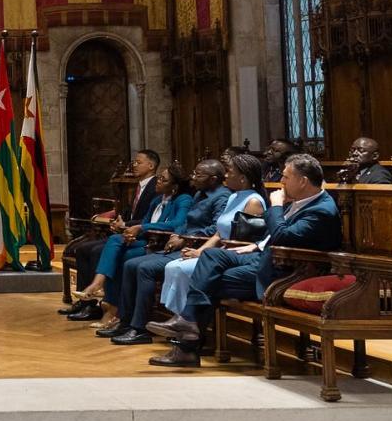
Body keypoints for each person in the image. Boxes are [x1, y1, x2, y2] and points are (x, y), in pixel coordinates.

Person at [146, 153, 343, 368]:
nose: (281, 182)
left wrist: (275, 206)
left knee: (207, 280)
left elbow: (283, 236)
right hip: (264, 256)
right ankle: (188, 324)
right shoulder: (300, 201)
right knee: (212, 256)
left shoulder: (321, 210)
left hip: (286, 271)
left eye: (286, 177)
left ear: (303, 181)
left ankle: (186, 341)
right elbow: (276, 235)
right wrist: (257, 245)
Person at [106, 159, 231, 345]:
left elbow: (216, 228)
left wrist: (186, 237)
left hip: (198, 248)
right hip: (184, 242)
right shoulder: (200, 194)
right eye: (194, 173)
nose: (193, 177)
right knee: (131, 264)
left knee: (144, 268)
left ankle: (140, 328)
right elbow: (186, 222)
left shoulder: (221, 197)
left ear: (213, 179)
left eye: (198, 174)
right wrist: (179, 233)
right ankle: (125, 322)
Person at [154, 153, 269, 329]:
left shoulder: (253, 201)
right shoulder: (233, 197)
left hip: (233, 256)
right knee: (173, 266)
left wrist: (209, 254)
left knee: (179, 269)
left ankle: (188, 323)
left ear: (243, 178)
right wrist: (199, 252)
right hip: (218, 252)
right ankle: (179, 319)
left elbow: (247, 240)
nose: (226, 175)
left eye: (230, 172)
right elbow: (218, 233)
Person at [72, 162, 191, 328]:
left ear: (174, 186)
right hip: (145, 240)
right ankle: (106, 299)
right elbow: (145, 222)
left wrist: (141, 228)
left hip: (160, 245)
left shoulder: (182, 200)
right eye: (158, 178)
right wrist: (129, 232)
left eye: (163, 180)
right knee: (116, 241)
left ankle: (111, 307)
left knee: (122, 257)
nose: (158, 182)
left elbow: (176, 223)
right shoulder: (156, 200)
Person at [66, 149, 162, 319]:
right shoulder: (138, 186)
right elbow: (129, 211)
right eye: (134, 161)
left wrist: (126, 225)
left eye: (139, 162)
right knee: (83, 249)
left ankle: (100, 301)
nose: (134, 165)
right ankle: (85, 302)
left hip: (140, 235)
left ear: (151, 165)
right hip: (126, 230)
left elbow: (148, 218)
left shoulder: (156, 187)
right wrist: (118, 222)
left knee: (97, 251)